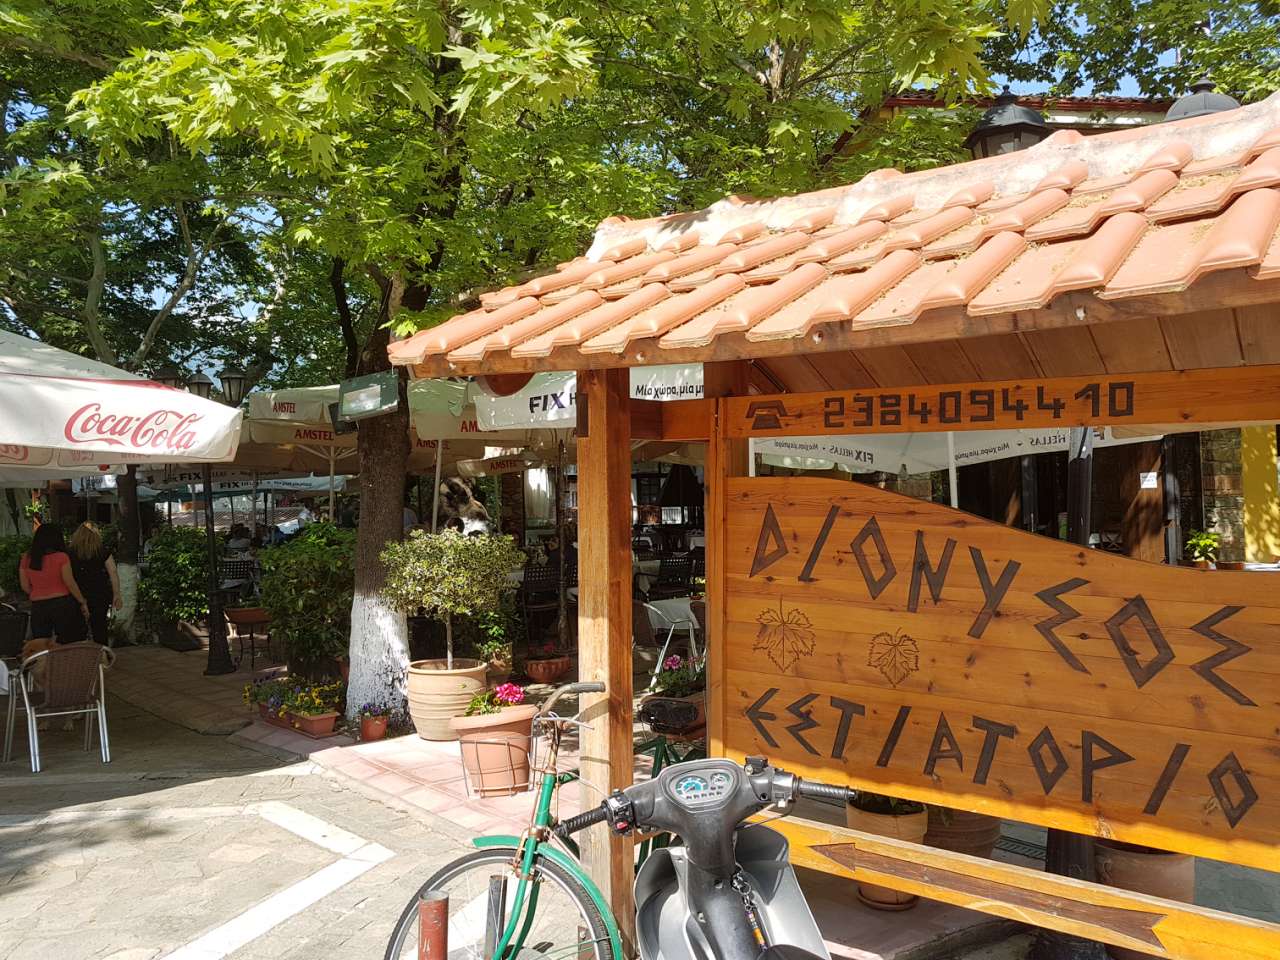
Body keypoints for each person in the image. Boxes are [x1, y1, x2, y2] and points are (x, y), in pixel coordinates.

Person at [19, 524, 89, 645]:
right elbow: (70, 583)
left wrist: (39, 591)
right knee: (67, 642)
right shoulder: (61, 557)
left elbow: (25, 586)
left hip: (38, 606)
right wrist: (82, 601)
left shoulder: (26, 558)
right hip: (62, 604)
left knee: (41, 644)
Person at [68, 522, 121, 646]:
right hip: (99, 593)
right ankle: (102, 654)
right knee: (100, 627)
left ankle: (78, 654)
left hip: (77, 593)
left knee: (77, 630)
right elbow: (113, 572)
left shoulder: (71, 552)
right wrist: (117, 594)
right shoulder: (102, 551)